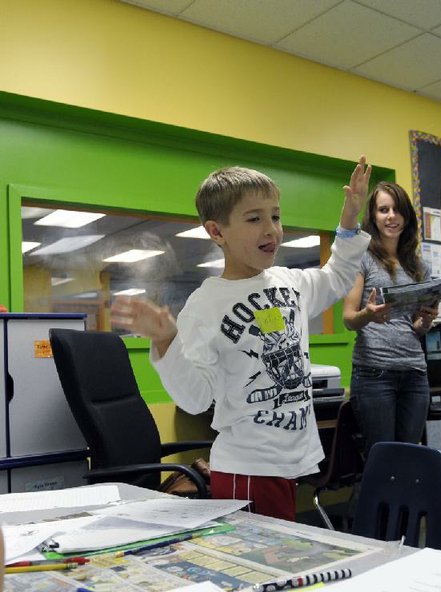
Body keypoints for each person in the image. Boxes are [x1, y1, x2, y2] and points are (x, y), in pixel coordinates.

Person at [110, 157, 372, 521]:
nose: (272, 230)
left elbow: (339, 275)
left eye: (276, 216)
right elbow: (196, 397)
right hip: (247, 470)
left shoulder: (289, 282)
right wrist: (168, 341)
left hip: (288, 460)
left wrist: (349, 220)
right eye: (254, 219)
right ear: (217, 232)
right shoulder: (206, 305)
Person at [343, 181, 438, 456]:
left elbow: (416, 328)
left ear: (406, 216)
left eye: (397, 210)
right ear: (373, 216)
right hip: (375, 374)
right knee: (383, 459)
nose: (391, 216)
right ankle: (376, 502)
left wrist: (427, 320)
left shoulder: (420, 266)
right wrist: (368, 315)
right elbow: (349, 319)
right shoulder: (362, 258)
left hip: (415, 373)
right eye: (383, 209)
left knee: (409, 457)